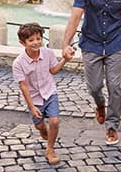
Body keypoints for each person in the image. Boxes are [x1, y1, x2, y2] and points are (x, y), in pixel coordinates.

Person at [62, 0, 121, 145]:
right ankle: (100, 104)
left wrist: (120, 39)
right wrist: (65, 44)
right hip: (91, 43)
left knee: (115, 85)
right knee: (94, 87)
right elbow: (75, 18)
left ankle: (112, 126)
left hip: (114, 44)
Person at [13, 22, 75, 166]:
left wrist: (65, 59)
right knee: (40, 126)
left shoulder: (48, 53)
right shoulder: (18, 63)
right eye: (31, 40)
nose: (36, 42)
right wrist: (32, 107)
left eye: (38, 38)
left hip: (50, 93)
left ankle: (50, 149)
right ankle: (43, 131)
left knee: (54, 121)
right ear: (22, 43)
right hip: (34, 99)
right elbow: (23, 87)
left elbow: (53, 71)